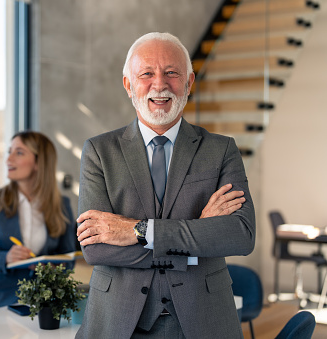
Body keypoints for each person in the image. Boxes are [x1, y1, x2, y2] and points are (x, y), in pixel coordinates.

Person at [75, 32, 256, 338]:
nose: (159, 84)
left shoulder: (221, 149)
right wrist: (198, 234)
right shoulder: (98, 151)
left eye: (172, 73)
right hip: (118, 323)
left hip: (204, 321)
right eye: (146, 73)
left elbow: (240, 235)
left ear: (188, 82)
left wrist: (137, 231)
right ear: (128, 85)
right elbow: (96, 250)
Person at [0, 131, 77, 309]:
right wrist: (5, 258)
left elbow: (68, 258)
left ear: (39, 162)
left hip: (44, 301)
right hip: (0, 298)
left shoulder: (62, 205)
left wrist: (53, 268)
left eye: (19, 153)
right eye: (9, 151)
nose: (8, 159)